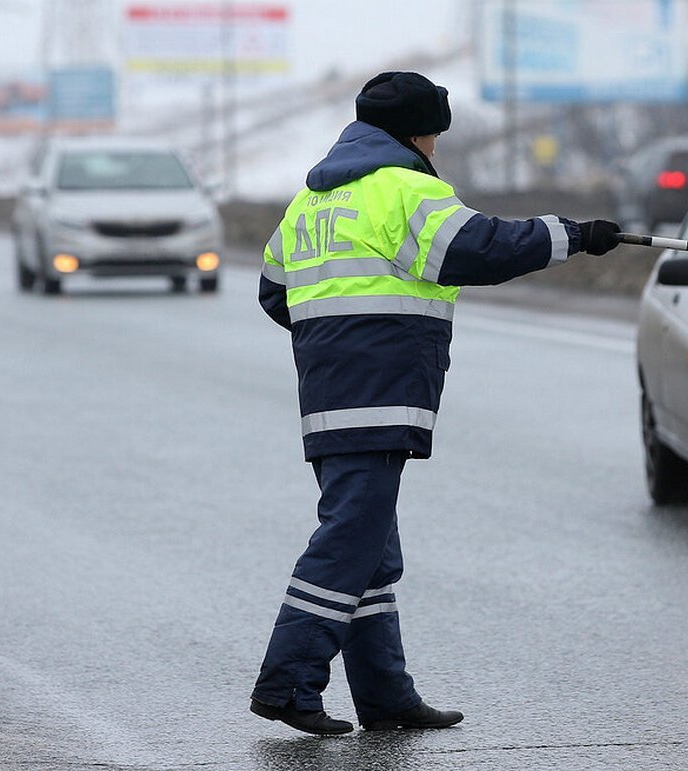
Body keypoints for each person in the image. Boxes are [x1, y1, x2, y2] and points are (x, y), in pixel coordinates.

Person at [249, 71, 621, 735]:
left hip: (329, 391)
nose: (435, 146)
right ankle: (288, 681)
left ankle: (387, 697)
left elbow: (275, 290)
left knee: (368, 545)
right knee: (348, 540)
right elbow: (478, 247)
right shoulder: (407, 187)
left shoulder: (312, 199)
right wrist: (572, 233)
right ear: (418, 133)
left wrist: (331, 338)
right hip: (382, 387)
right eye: (434, 134)